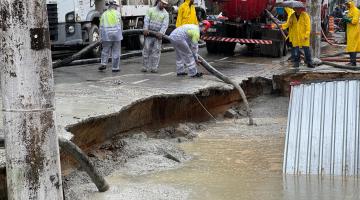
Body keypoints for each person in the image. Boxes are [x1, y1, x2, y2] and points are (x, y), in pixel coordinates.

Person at [141, 0, 169, 73]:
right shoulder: (150, 10)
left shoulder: (166, 14)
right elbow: (146, 20)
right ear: (159, 2)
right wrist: (145, 29)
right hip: (149, 34)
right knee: (146, 50)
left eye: (165, 4)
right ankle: (145, 67)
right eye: (163, 3)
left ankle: (154, 67)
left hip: (158, 36)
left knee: (156, 52)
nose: (164, 5)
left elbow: (165, 25)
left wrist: (161, 33)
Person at [98, 0, 123, 72]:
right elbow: (120, 25)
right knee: (116, 51)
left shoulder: (104, 14)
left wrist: (100, 36)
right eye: (116, 6)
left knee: (105, 50)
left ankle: (103, 63)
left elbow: (101, 26)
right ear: (114, 6)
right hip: (116, 36)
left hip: (106, 36)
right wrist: (121, 33)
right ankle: (115, 68)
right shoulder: (117, 13)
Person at [343, 0, 360, 66]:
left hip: (354, 31)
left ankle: (353, 62)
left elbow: (354, 21)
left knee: (353, 46)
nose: (347, 5)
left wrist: (348, 20)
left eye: (348, 4)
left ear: (351, 4)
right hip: (350, 31)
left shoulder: (356, 10)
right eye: (346, 4)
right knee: (350, 46)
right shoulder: (350, 10)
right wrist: (345, 18)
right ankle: (351, 62)